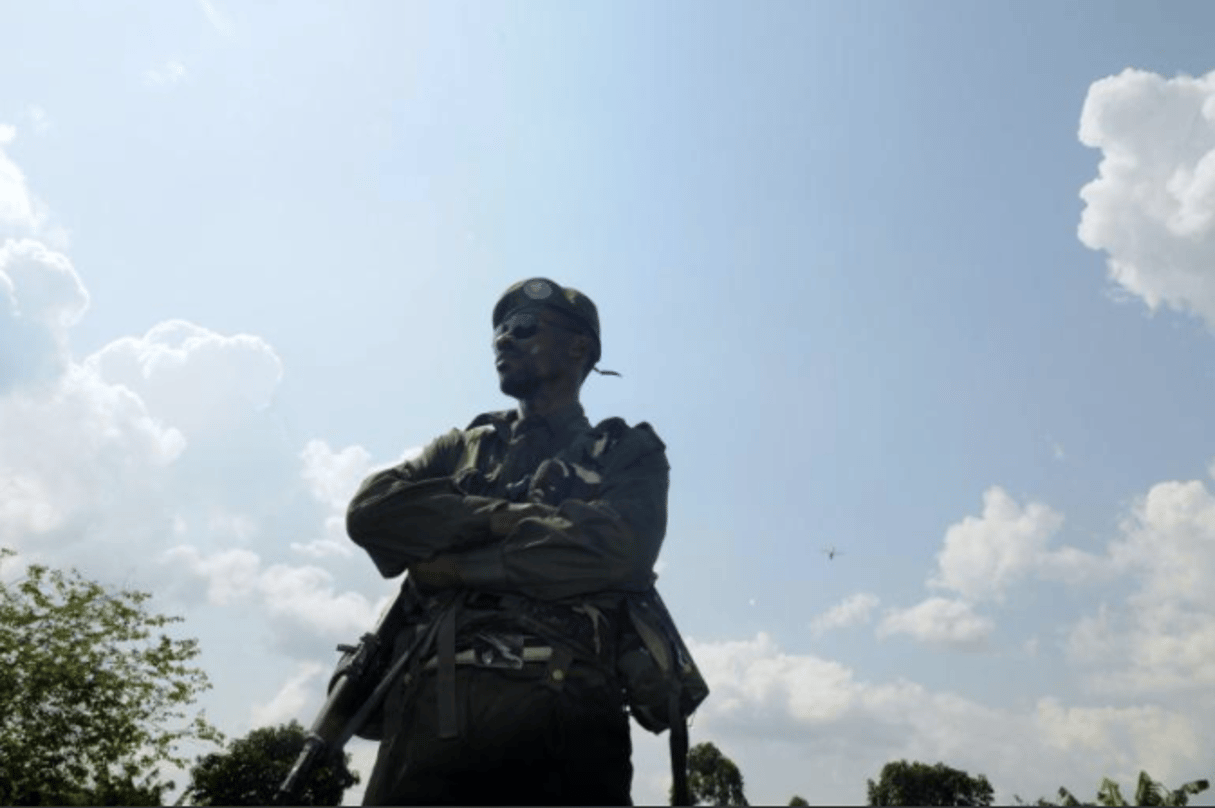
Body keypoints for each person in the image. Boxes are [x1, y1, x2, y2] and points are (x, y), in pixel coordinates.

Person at [346, 277, 670, 805]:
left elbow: (620, 552)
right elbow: (371, 513)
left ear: (579, 346)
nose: (502, 340)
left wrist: (456, 567)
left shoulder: (627, 452)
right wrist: (500, 520)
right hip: (427, 721)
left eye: (522, 328)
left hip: (566, 720)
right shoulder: (459, 449)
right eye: (497, 331)